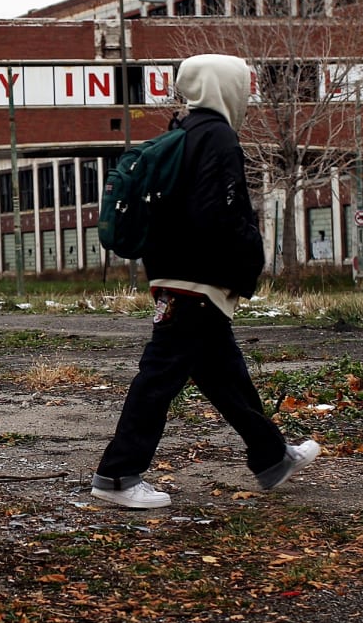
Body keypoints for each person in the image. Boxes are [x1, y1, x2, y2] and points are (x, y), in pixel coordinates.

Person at [90, 53, 320, 509]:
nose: (247, 96)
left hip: (176, 274)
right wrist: (247, 262)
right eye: (243, 86)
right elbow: (220, 213)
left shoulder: (183, 133)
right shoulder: (217, 137)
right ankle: (117, 475)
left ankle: (272, 455)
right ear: (225, 87)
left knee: (223, 374)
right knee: (159, 377)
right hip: (196, 280)